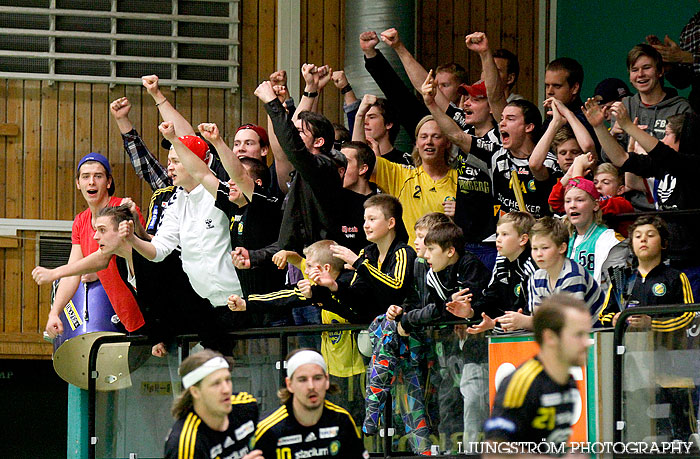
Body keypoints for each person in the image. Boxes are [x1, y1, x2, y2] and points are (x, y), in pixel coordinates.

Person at [584, 98, 700, 298]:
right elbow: (621, 159)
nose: (663, 140)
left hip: (693, 264)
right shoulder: (662, 165)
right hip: (665, 263)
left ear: (684, 139)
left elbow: (665, 154)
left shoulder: (693, 165)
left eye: (667, 136)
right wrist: (599, 127)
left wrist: (628, 126)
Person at [42, 153, 146, 338]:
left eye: (98, 176)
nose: (91, 182)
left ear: (108, 182)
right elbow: (72, 273)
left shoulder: (123, 209)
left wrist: (55, 273)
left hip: (144, 310)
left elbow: (139, 259)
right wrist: (54, 312)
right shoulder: (80, 221)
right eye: (85, 176)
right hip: (121, 313)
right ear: (77, 183)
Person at [482, 294, 591, 450]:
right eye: (578, 335)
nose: (587, 342)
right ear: (550, 337)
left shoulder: (569, 381)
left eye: (587, 333)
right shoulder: (523, 383)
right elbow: (495, 450)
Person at [252, 349, 368, 458]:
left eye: (317, 378)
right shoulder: (268, 430)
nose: (311, 386)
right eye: (302, 380)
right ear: (289, 384)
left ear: (327, 380)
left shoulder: (342, 421)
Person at [499, 217, 603, 332]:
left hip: (594, 337)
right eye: (534, 248)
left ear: (562, 248)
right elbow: (541, 321)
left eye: (545, 248)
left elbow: (570, 322)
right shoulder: (536, 277)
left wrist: (525, 321)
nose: (538, 254)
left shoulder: (573, 275)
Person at [370, 115, 457, 246]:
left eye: (436, 136)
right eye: (423, 137)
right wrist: (359, 115)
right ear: (416, 143)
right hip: (415, 259)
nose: (429, 142)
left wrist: (461, 213)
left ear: (448, 142)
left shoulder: (460, 180)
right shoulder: (402, 176)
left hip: (449, 257)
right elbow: (358, 158)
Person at [164, 349, 262, 459]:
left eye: (228, 380)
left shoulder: (246, 406)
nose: (226, 390)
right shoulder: (185, 444)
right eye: (216, 384)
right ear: (195, 392)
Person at [451, 211, 538, 335]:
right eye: (497, 234)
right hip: (507, 335)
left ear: (523, 239)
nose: (498, 239)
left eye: (505, 234)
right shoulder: (502, 261)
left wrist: (495, 324)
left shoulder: (533, 267)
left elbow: (526, 314)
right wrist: (470, 312)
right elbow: (491, 297)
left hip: (531, 337)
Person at [614, 44, 692, 144]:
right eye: (634, 70)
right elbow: (608, 157)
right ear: (629, 76)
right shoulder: (625, 106)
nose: (640, 74)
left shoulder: (681, 109)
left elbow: (686, 156)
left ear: (660, 71)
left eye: (646, 68)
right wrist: (611, 135)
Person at [650, 12, 700, 113]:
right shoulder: (690, 29)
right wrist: (670, 65)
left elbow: (685, 58)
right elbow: (683, 82)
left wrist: (687, 57)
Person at [352, 95, 412, 165]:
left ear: (388, 124)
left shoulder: (406, 161)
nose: (365, 122)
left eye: (371, 117)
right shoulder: (356, 160)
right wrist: (359, 116)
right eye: (363, 117)